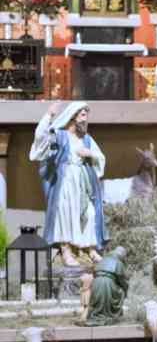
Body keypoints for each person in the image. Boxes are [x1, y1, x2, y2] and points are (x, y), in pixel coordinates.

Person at [30, 101, 107, 267]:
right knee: (65, 212)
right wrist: (49, 115)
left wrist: (89, 153)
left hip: (83, 181)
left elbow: (100, 157)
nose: (85, 120)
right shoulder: (60, 136)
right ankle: (66, 250)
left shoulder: (86, 139)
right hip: (65, 181)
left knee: (89, 213)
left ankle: (90, 247)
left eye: (86, 116)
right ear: (73, 117)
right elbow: (40, 139)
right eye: (83, 115)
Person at [83, 246, 128, 326]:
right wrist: (126, 289)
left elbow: (95, 273)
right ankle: (111, 314)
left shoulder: (103, 260)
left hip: (96, 283)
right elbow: (122, 281)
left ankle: (95, 315)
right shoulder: (118, 263)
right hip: (107, 283)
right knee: (121, 292)